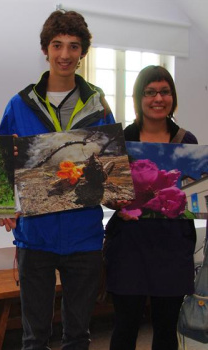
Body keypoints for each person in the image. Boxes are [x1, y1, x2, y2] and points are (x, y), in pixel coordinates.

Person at [0, 10, 115, 350]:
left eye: (73, 46)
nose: (65, 54)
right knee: (34, 338)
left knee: (78, 336)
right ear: (45, 49)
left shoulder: (99, 104)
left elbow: (108, 165)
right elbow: (2, 165)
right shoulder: (18, 105)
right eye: (57, 45)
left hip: (85, 236)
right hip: (35, 237)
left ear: (83, 53)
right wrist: (3, 205)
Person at [104, 65, 197, 350]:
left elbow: (194, 193)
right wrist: (113, 201)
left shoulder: (187, 141)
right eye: (150, 92)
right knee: (126, 326)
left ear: (172, 96)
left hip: (172, 247)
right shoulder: (120, 139)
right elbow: (107, 194)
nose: (158, 98)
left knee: (166, 329)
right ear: (138, 98)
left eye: (165, 91)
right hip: (129, 246)